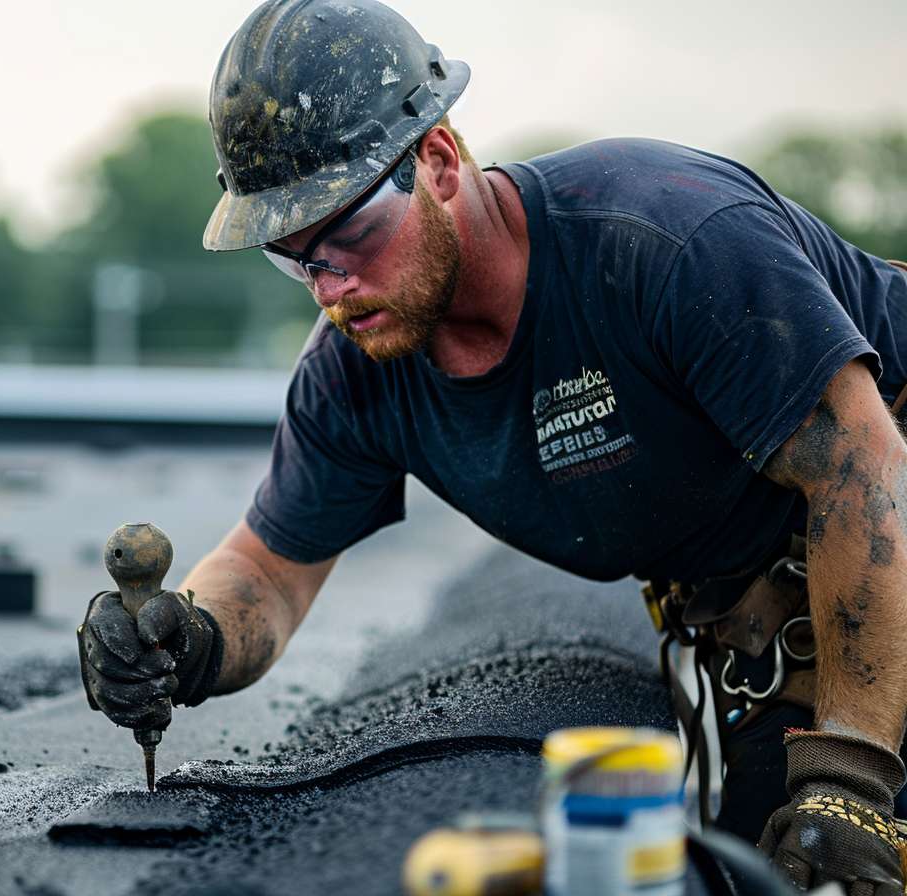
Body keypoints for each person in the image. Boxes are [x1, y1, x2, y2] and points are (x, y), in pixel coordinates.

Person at [77, 1, 907, 891]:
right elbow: (271, 572)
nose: (330, 287)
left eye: (350, 235)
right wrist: (186, 635)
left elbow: (862, 468)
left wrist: (848, 778)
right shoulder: (356, 371)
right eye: (296, 259)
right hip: (774, 614)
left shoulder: (662, 238)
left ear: (437, 162)